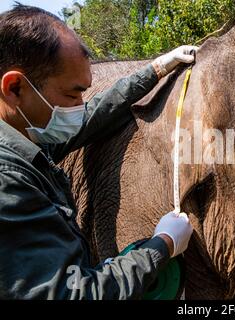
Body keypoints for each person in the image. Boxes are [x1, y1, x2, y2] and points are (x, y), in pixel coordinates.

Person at [0, 4, 196, 299]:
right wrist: (163, 245)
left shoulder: (25, 134)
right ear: (14, 87)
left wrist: (156, 70)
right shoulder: (7, 179)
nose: (80, 105)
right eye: (71, 94)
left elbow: (94, 115)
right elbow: (70, 294)